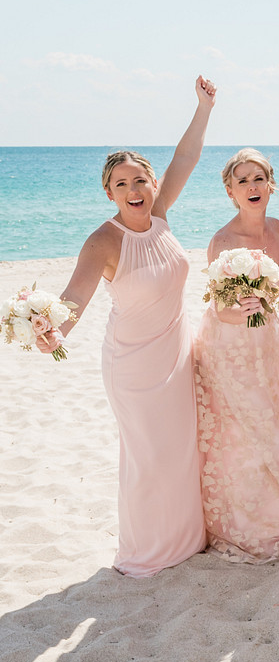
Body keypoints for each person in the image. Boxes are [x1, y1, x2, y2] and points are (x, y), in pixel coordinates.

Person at [36, 77, 215, 576]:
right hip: (133, 366)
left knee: (182, 449)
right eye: (122, 184)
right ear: (108, 192)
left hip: (177, 354)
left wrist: (203, 107)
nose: (133, 190)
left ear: (153, 185)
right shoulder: (103, 241)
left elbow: (186, 158)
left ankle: (185, 540)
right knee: (148, 456)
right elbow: (74, 299)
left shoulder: (159, 216)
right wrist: (55, 333)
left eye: (141, 180)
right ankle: (146, 551)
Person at [193, 148, 279, 562]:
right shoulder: (223, 241)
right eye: (243, 180)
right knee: (240, 435)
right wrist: (240, 309)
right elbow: (218, 305)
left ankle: (272, 517)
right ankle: (243, 526)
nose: (253, 187)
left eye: (259, 179)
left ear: (271, 185)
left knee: (275, 424)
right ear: (230, 191)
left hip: (267, 340)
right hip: (230, 344)